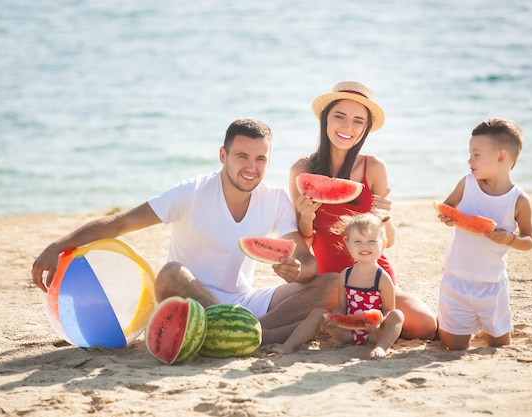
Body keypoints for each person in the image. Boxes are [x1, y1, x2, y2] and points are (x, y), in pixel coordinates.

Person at [31, 118, 337, 345]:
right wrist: (59, 244)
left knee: (331, 283)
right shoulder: (191, 193)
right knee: (170, 273)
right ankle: (259, 333)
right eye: (242, 156)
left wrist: (299, 270)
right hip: (188, 302)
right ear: (223, 156)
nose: (251, 167)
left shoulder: (275, 199)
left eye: (260, 159)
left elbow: (305, 260)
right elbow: (121, 223)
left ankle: (257, 332)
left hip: (244, 303)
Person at [289, 80, 438, 340]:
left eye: (358, 121)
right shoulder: (302, 171)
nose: (348, 127)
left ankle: (369, 327)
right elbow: (304, 242)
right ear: (325, 119)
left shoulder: (374, 168)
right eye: (340, 117)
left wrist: (383, 217)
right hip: (332, 282)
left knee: (426, 327)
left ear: (366, 128)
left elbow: (388, 241)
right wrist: (307, 216)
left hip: (376, 276)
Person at [436, 117, 532, 350]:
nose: (469, 159)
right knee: (454, 347)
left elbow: (529, 241)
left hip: (492, 286)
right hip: (456, 282)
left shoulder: (518, 200)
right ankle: (448, 323)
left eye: (476, 154)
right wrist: (447, 217)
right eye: (470, 152)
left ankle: (480, 324)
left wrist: (510, 239)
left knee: (500, 345)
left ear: (501, 157)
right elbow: (448, 205)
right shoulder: (467, 183)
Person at [268, 213, 404, 359]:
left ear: (383, 244)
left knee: (398, 315)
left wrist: (379, 321)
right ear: (347, 244)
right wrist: (336, 317)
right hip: (346, 333)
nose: (365, 246)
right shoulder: (345, 275)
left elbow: (388, 310)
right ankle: (288, 346)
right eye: (358, 241)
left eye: (372, 241)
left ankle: (381, 347)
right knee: (318, 313)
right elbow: (341, 306)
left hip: (374, 334)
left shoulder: (382, 278)